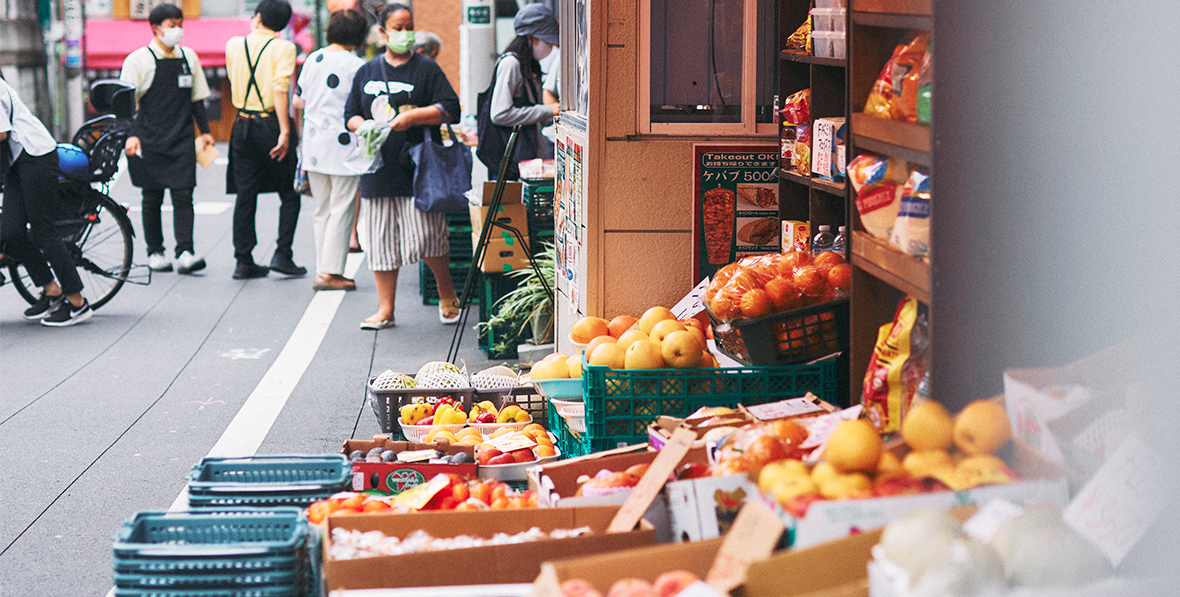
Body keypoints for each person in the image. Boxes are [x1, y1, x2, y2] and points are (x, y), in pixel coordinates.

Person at [343, 2, 461, 329]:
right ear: (382, 33)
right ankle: (385, 309)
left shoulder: (426, 69)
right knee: (379, 242)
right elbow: (350, 114)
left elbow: (451, 108)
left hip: (418, 169)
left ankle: (446, 291)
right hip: (376, 169)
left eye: (409, 26)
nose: (405, 33)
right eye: (398, 28)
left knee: (427, 238)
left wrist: (413, 117)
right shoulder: (366, 71)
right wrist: (361, 126)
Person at [120, 3, 215, 275]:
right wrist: (131, 136)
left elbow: (197, 98)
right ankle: (155, 252)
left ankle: (185, 251)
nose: (177, 30)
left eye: (179, 24)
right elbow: (125, 105)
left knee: (184, 194)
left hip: (183, 137)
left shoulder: (189, 57)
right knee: (152, 196)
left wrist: (206, 131)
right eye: (171, 25)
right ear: (155, 28)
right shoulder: (137, 60)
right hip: (148, 137)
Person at [224, 0, 306, 280]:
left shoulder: (234, 45)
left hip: (242, 123)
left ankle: (243, 259)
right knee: (289, 193)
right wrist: (285, 130)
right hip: (272, 123)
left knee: (245, 194)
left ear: (258, 16)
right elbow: (279, 88)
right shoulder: (284, 48)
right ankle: (283, 254)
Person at [0, 78, 92, 326]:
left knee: (44, 232)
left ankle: (77, 302)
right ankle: (51, 290)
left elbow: (1, 133)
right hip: (17, 163)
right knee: (11, 232)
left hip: (37, 157)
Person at [292, 9, 367, 291]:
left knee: (321, 209)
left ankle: (323, 269)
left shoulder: (314, 58)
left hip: (313, 143)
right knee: (342, 207)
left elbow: (299, 101)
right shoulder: (357, 65)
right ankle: (331, 272)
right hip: (344, 144)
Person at [487, 2, 559, 180]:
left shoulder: (530, 66)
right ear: (530, 38)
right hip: (510, 163)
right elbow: (499, 114)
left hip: (527, 160)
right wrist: (549, 110)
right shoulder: (511, 64)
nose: (550, 46)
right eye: (546, 40)